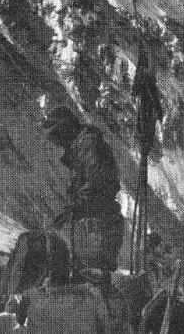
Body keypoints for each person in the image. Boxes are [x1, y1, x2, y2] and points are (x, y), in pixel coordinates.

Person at [41, 104, 124, 272]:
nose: (57, 142)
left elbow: (96, 179)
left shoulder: (87, 143)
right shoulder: (80, 145)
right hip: (96, 220)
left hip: (101, 221)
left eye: (56, 135)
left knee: (95, 275)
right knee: (90, 273)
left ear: (64, 128)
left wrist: (78, 205)